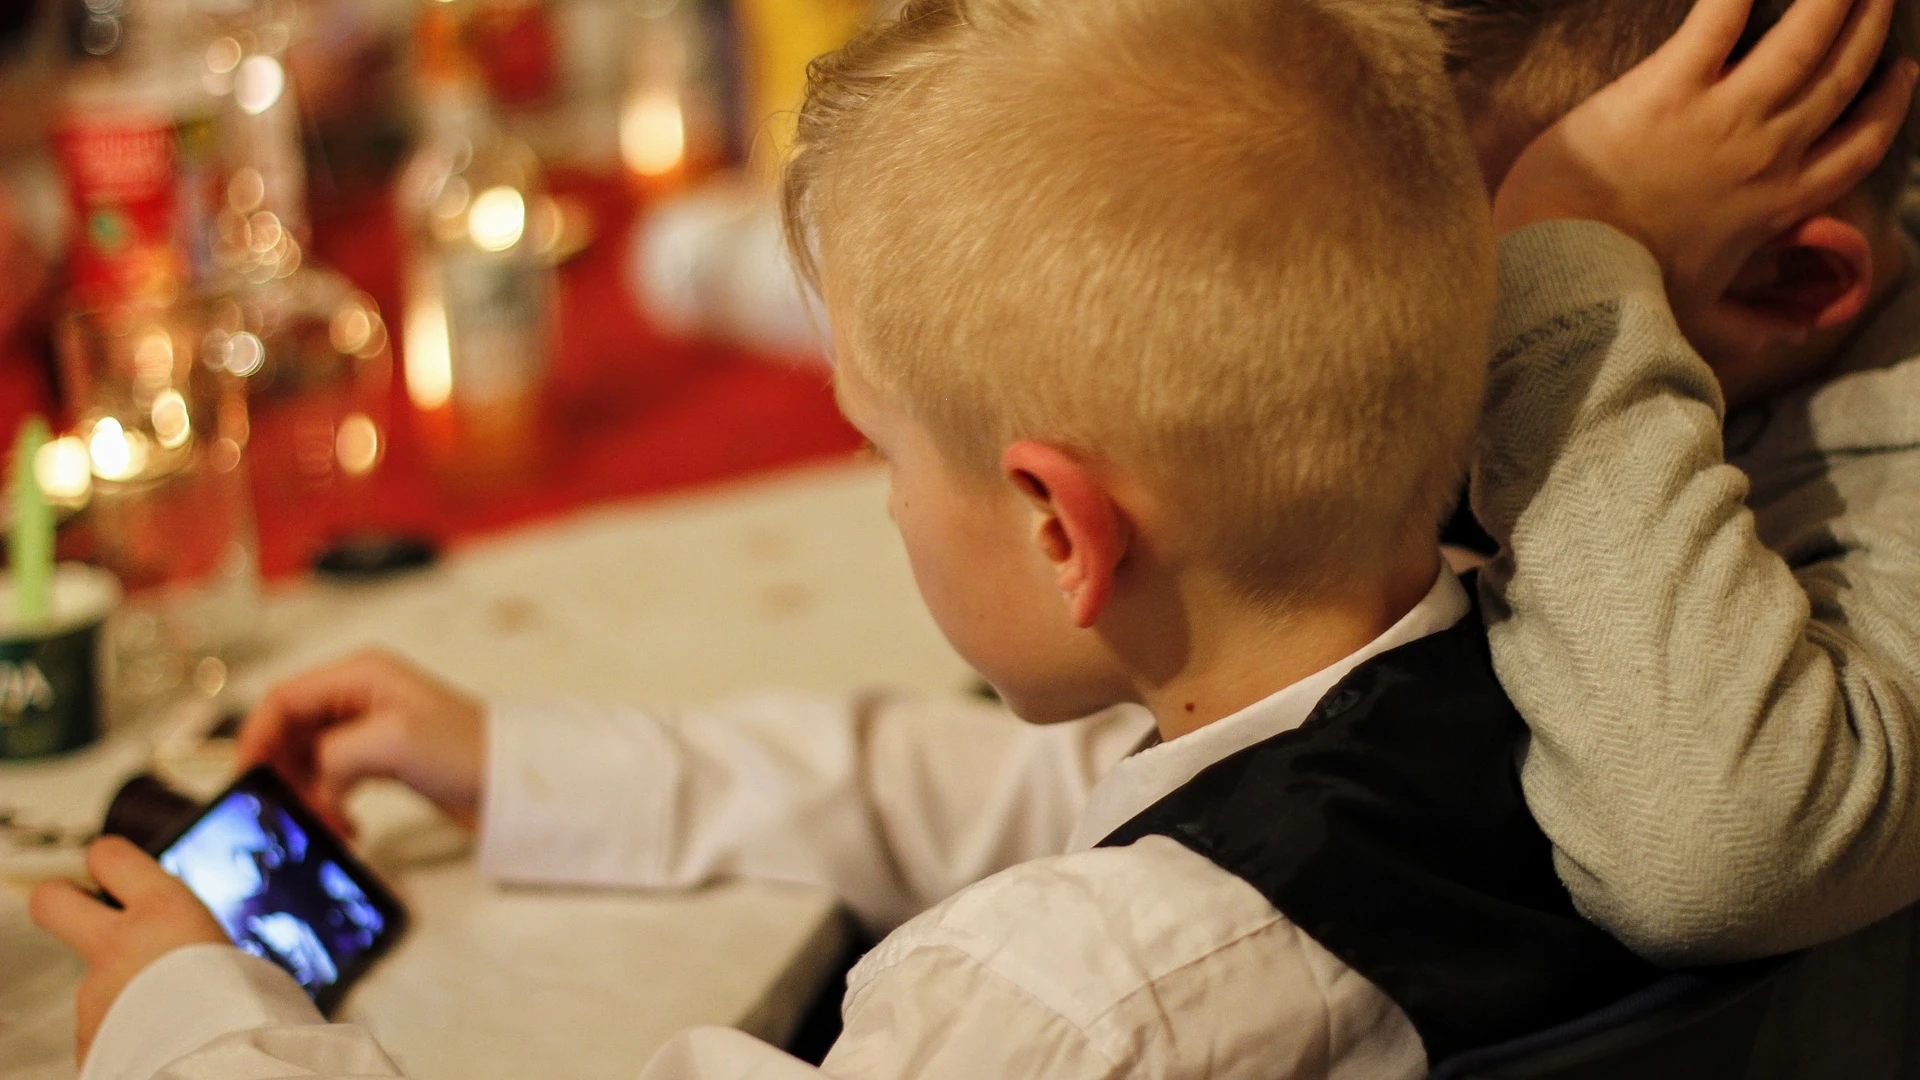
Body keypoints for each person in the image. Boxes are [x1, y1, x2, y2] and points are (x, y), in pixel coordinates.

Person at [28, 0, 1909, 1077]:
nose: (877, 499)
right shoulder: (1549, 673)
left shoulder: (1066, 1006)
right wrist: (523, 766)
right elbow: (1032, 799)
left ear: (1057, 529)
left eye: (879, 452)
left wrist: (191, 1020)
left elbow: (1081, 889)